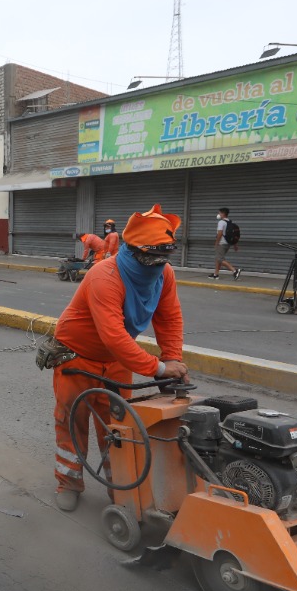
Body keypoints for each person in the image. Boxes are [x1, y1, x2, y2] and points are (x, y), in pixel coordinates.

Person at [49, 204, 188, 511]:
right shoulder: (105, 276)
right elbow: (113, 335)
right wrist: (159, 368)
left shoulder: (163, 273)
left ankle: (121, 489)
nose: (156, 266)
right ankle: (68, 481)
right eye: (151, 259)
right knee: (73, 420)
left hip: (117, 361)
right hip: (76, 357)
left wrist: (173, 359)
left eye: (162, 259)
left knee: (119, 427)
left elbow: (169, 318)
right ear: (132, 250)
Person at [210, 207, 241, 280]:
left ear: (223, 214)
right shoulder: (229, 222)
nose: (218, 214)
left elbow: (220, 233)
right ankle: (216, 274)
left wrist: (216, 243)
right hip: (227, 243)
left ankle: (234, 270)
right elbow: (232, 234)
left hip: (222, 243)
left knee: (219, 258)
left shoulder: (221, 222)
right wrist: (235, 244)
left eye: (220, 213)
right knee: (218, 258)